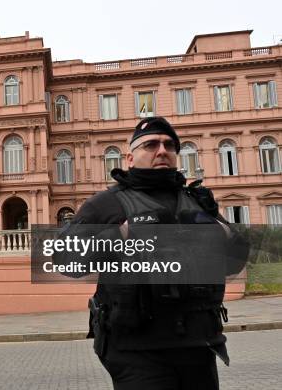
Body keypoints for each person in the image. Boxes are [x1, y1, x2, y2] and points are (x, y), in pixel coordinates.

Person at [54, 117, 248, 390]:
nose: (162, 151)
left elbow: (235, 262)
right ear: (130, 158)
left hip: (199, 344)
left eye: (169, 145)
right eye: (151, 144)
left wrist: (219, 229)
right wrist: (122, 234)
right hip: (137, 350)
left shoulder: (196, 202)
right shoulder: (105, 203)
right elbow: (63, 259)